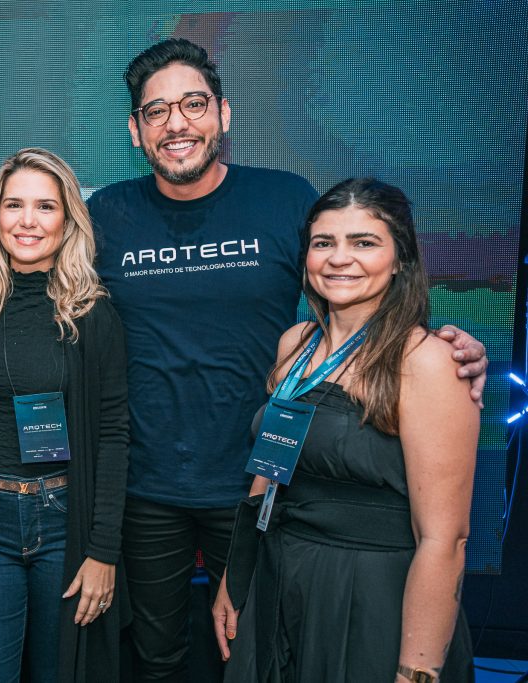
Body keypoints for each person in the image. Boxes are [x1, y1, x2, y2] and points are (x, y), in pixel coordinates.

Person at [85, 38, 489, 680]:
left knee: (255, 651)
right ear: (136, 131)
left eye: (193, 104)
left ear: (223, 113)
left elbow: (354, 295)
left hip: (265, 487)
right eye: (156, 112)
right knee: (154, 658)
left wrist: (446, 349)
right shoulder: (104, 214)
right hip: (148, 485)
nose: (177, 123)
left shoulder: (283, 201)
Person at [212, 177, 477, 682]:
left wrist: (415, 672)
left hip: (371, 596)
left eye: (364, 242)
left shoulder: (428, 362)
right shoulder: (295, 344)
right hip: (279, 576)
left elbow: (446, 539)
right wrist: (236, 575)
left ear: (400, 258)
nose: (339, 258)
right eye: (323, 243)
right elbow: (269, 472)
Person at [0, 148, 130, 682]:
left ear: (68, 219)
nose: (27, 221)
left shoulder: (93, 312)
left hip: (64, 521)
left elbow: (114, 433)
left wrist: (103, 550)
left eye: (45, 207)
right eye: (13, 204)